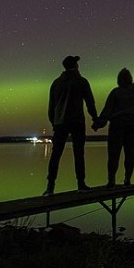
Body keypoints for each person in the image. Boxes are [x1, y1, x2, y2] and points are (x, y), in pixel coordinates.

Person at [44, 55, 99, 196]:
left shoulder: (56, 83)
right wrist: (95, 119)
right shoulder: (81, 81)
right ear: (75, 66)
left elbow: (51, 107)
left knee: (56, 154)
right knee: (79, 153)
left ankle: (50, 187)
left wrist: (54, 122)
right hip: (77, 122)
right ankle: (81, 184)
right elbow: (90, 103)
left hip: (60, 123)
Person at [93, 60, 134, 186]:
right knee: (131, 153)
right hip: (132, 123)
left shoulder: (115, 92)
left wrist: (99, 123)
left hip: (117, 125)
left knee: (114, 153)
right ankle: (127, 179)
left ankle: (111, 180)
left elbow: (106, 111)